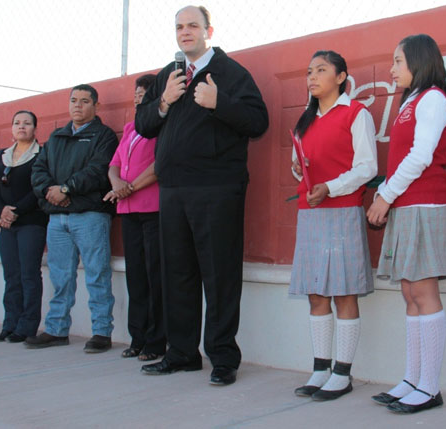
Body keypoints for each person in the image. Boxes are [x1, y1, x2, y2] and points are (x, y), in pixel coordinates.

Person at [135, 5, 268, 385]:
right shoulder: (168, 75)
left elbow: (259, 121)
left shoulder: (230, 73)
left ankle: (223, 358)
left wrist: (219, 102)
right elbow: (144, 126)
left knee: (220, 274)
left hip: (216, 188)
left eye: (193, 25)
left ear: (209, 30)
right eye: (179, 26)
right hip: (173, 189)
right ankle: (181, 354)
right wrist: (163, 102)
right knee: (176, 274)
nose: (185, 31)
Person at [367, 34, 446, 414]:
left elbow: (421, 156)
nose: (392, 69)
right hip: (406, 203)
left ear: (419, 62)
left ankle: (430, 388)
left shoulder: (433, 97)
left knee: (423, 293)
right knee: (409, 294)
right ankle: (412, 379)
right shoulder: (411, 100)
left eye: (398, 62)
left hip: (426, 203)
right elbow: (403, 158)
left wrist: (386, 195)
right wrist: (384, 194)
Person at [289, 51, 377, 401]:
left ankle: (343, 373)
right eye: (309, 71)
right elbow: (298, 166)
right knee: (316, 292)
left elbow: (367, 167)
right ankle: (320, 368)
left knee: (344, 292)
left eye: (321, 70)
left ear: (341, 77)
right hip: (310, 212)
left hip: (342, 210)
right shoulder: (303, 121)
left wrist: (331, 187)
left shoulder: (357, 114)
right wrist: (300, 169)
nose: (312, 77)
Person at [28, 84, 119, 353]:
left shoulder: (103, 136)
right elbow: (38, 169)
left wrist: (66, 189)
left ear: (96, 106)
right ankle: (56, 330)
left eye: (84, 101)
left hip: (90, 217)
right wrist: (49, 191)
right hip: (57, 220)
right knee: (60, 277)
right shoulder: (56, 136)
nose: (77, 106)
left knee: (97, 275)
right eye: (73, 101)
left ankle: (102, 332)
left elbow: (99, 171)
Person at [103, 74, 166, 361]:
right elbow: (114, 165)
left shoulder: (163, 126)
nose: (138, 97)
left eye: (144, 93)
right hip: (127, 211)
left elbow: (159, 165)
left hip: (152, 209)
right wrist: (117, 184)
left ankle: (156, 341)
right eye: (136, 93)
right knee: (136, 277)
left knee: (155, 276)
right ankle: (137, 337)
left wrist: (129, 188)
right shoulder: (130, 128)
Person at [0, 110, 48, 343]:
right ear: (11, 128)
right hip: (6, 224)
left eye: (27, 123)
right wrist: (2, 210)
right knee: (11, 275)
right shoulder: (1, 156)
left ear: (35, 128)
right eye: (17, 123)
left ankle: (27, 326)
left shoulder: (41, 155)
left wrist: (15, 211)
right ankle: (10, 324)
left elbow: (38, 188)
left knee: (29, 274)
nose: (21, 126)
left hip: (31, 222)